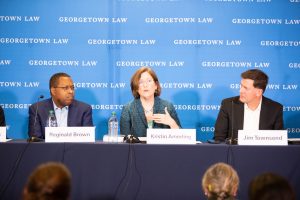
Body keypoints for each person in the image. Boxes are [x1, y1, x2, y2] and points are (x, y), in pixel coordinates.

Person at [214, 69, 284, 143]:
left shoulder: (275, 109)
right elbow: (219, 139)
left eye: (246, 88)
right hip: (236, 153)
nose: (240, 91)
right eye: (241, 86)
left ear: (258, 92)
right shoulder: (229, 105)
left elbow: (279, 142)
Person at [28, 72, 93, 139]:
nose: (71, 91)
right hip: (47, 149)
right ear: (53, 91)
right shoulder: (37, 109)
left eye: (72, 88)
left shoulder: (84, 109)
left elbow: (87, 140)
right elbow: (36, 140)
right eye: (65, 88)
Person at [120, 67, 181, 138]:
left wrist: (172, 123)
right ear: (136, 88)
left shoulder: (167, 107)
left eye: (149, 81)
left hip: (162, 149)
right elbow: (124, 141)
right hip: (137, 149)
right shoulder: (128, 109)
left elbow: (182, 138)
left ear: (156, 85)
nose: (145, 85)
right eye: (140, 82)